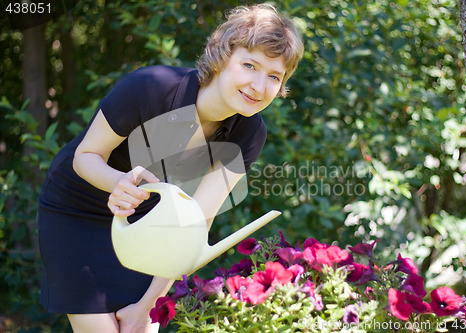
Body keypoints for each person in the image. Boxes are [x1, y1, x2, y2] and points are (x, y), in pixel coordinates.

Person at [37, 3, 303, 333]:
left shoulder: (249, 133)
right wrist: (118, 183)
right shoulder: (149, 88)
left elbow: (193, 226)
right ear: (222, 56)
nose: (259, 86)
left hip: (147, 227)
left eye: (274, 76)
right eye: (250, 65)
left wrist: (149, 305)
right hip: (77, 212)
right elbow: (85, 156)